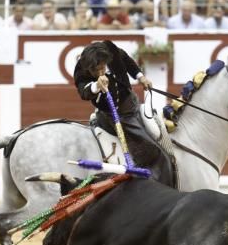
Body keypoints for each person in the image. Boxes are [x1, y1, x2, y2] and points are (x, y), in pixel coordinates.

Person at [74, 40, 173, 185]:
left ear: (105, 61)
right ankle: (148, 181)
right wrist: (96, 86)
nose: (98, 72)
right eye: (94, 71)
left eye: (100, 67)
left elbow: (127, 61)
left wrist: (141, 77)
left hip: (131, 103)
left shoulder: (111, 50)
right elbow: (83, 91)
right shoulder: (81, 67)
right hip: (112, 114)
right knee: (148, 149)